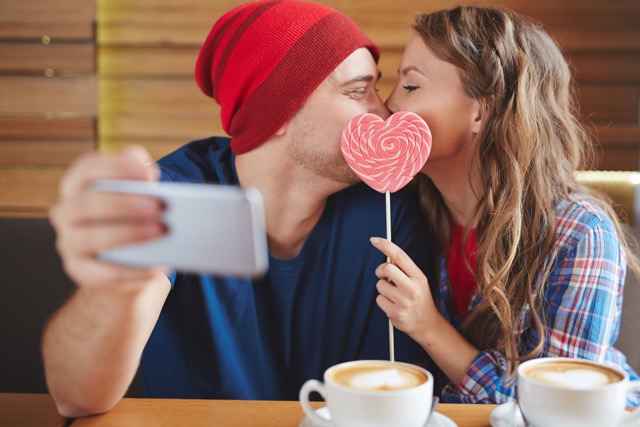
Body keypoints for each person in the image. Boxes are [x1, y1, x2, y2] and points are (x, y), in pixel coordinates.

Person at [42, 0, 433, 417]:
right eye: (358, 91)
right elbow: (76, 397)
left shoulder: (389, 211)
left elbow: (391, 396)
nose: (384, 110)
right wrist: (118, 285)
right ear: (278, 111)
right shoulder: (175, 195)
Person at [369, 5, 640, 404]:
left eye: (410, 86)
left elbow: (560, 406)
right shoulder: (410, 213)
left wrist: (428, 326)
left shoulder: (582, 233)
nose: (388, 104)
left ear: (481, 110)